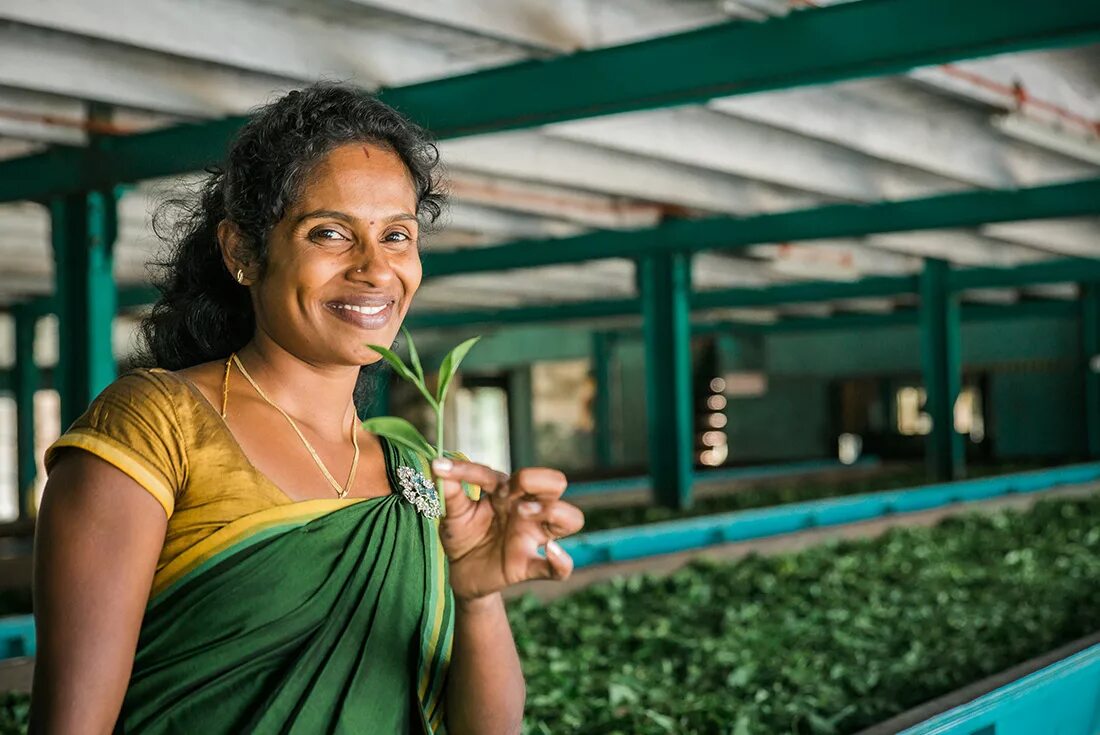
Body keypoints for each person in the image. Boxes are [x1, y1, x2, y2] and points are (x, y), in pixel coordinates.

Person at [30, 83, 584, 735]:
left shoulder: (419, 475)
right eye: (331, 233)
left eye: (397, 236)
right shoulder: (158, 425)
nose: (376, 269)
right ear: (242, 252)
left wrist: (479, 595)